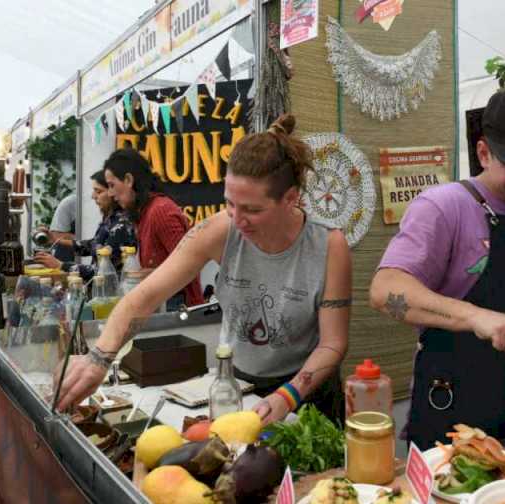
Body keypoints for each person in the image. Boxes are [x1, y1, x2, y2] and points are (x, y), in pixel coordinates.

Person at [55, 115, 352, 426]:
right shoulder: (219, 230)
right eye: (230, 204)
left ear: (291, 198)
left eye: (252, 209)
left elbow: (333, 343)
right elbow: (143, 297)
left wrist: (288, 395)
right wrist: (99, 358)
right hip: (241, 387)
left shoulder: (329, 246)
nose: (238, 220)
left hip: (306, 396)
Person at [370, 83, 505, 450]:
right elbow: (385, 292)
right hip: (452, 424)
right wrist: (477, 316)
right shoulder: (444, 207)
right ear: (484, 153)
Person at [102, 148, 205, 308]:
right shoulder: (144, 212)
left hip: (181, 313)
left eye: (111, 185)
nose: (109, 193)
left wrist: (148, 276)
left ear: (129, 180)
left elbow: (189, 267)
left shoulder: (160, 211)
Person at [33, 170, 137, 281]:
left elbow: (100, 272)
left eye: (98, 191)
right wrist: (56, 239)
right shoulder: (111, 219)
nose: (93, 196)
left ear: (112, 192)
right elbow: (94, 245)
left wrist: (61, 265)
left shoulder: (121, 225)